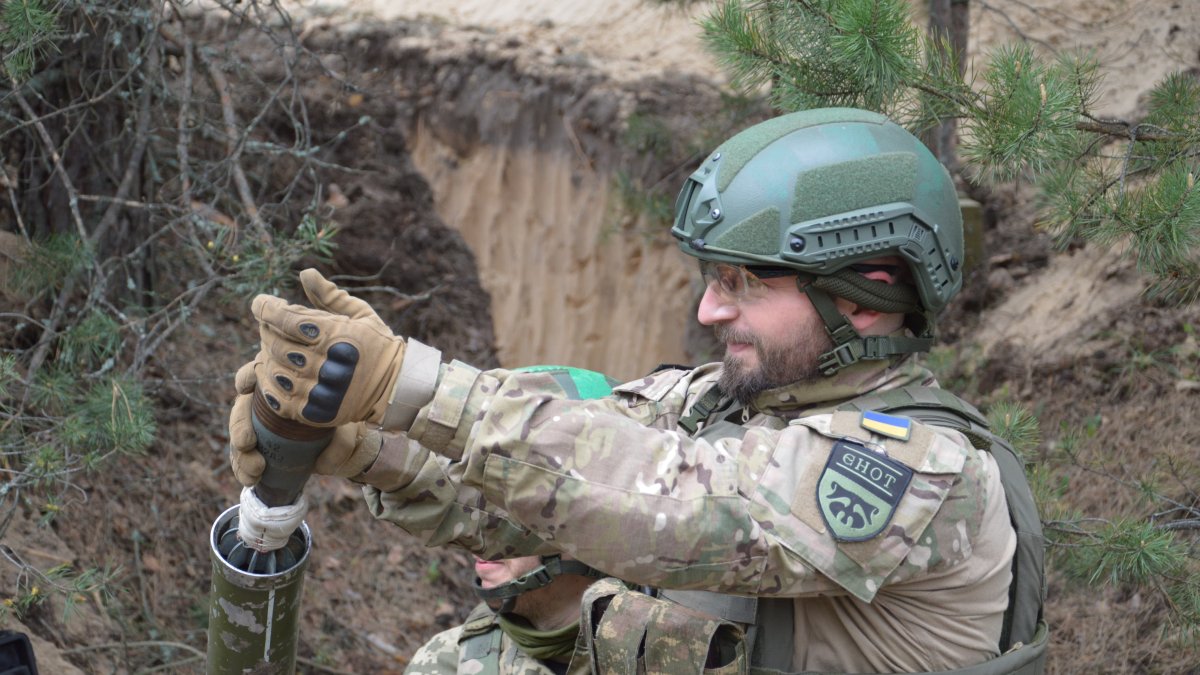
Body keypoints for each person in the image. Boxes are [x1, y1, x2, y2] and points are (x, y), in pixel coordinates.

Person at [229, 108, 1047, 673]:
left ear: (866, 295)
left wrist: (409, 381)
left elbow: (677, 507)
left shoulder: (929, 476)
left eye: (743, 284)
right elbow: (551, 482)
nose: (708, 308)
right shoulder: (723, 403)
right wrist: (372, 445)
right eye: (709, 278)